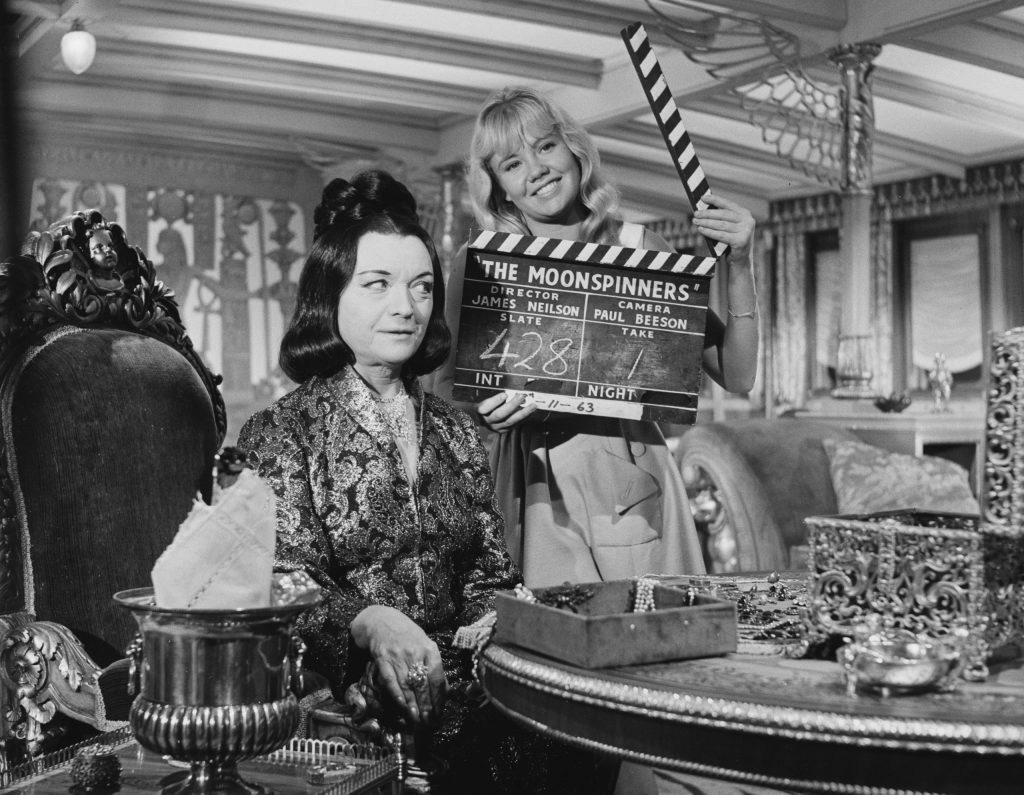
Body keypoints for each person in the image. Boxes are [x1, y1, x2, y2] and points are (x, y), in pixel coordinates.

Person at [237, 169, 616, 795]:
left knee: (587, 717)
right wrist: (372, 621)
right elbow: (281, 583)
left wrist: (499, 629)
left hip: (473, 688)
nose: (405, 306)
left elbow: (490, 576)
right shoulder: (281, 432)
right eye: (377, 284)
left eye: (421, 287)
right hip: (347, 696)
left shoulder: (456, 430)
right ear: (330, 296)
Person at [434, 86, 759, 589]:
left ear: (573, 148)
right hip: (530, 477)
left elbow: (737, 375)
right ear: (498, 187)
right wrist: (482, 409)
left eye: (545, 146)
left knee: (645, 624)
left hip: (630, 471)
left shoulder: (639, 247)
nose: (536, 169)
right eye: (512, 164)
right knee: (547, 628)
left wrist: (739, 264)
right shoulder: (481, 263)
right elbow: (445, 388)